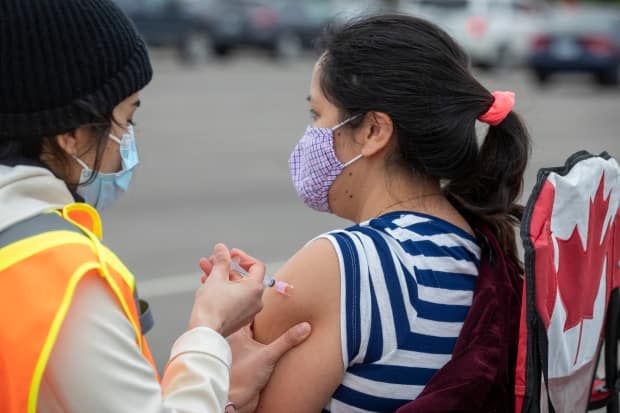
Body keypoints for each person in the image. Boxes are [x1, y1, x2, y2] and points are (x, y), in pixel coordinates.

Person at [0, 1, 310, 412]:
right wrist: (208, 329)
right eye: (126, 119)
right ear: (70, 134)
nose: (126, 144)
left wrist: (224, 390)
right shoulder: (65, 274)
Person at [240, 14, 530, 412]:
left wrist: (209, 335)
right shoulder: (479, 247)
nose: (310, 134)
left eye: (317, 114)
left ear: (374, 131)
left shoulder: (344, 265)